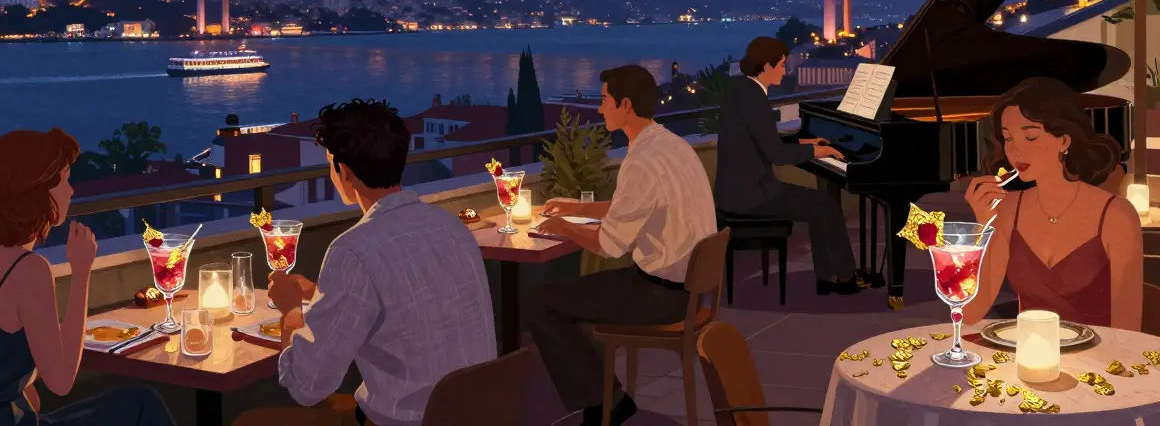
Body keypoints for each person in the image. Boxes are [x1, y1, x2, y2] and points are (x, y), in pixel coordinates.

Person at [234, 99, 496, 426]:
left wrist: (290, 310)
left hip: (407, 422)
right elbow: (408, 299)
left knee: (249, 422)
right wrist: (322, 294)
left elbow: (307, 385)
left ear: (343, 170)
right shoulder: (450, 226)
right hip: (480, 413)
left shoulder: (353, 249)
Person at [0, 129, 174, 426]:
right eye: (65, 180)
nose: (71, 191)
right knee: (143, 404)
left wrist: (23, 387)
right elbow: (61, 382)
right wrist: (81, 272)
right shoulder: (29, 269)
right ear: (38, 192)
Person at [527, 65, 717, 426]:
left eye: (604, 101)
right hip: (689, 290)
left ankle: (607, 403)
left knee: (541, 302)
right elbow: (634, 206)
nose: (600, 109)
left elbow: (609, 244)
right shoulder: (671, 145)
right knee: (568, 296)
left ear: (625, 105)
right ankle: (606, 397)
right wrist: (577, 208)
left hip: (660, 295)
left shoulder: (641, 161)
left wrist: (561, 227)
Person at [962, 77, 1141, 330]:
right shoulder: (1007, 209)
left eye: (1030, 137)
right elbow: (970, 314)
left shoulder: (1117, 215)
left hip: (1101, 351)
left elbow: (1128, 330)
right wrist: (982, 227)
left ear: (1064, 141)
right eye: (1008, 138)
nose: (1014, 151)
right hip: (1029, 348)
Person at [713, 36, 865, 295]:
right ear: (766, 66)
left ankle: (828, 277)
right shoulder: (755, 99)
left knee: (820, 205)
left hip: (733, 191)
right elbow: (778, 155)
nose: (785, 70)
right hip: (752, 196)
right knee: (826, 205)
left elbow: (762, 140)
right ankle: (845, 279)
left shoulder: (741, 90)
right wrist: (818, 150)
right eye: (782, 65)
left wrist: (804, 141)